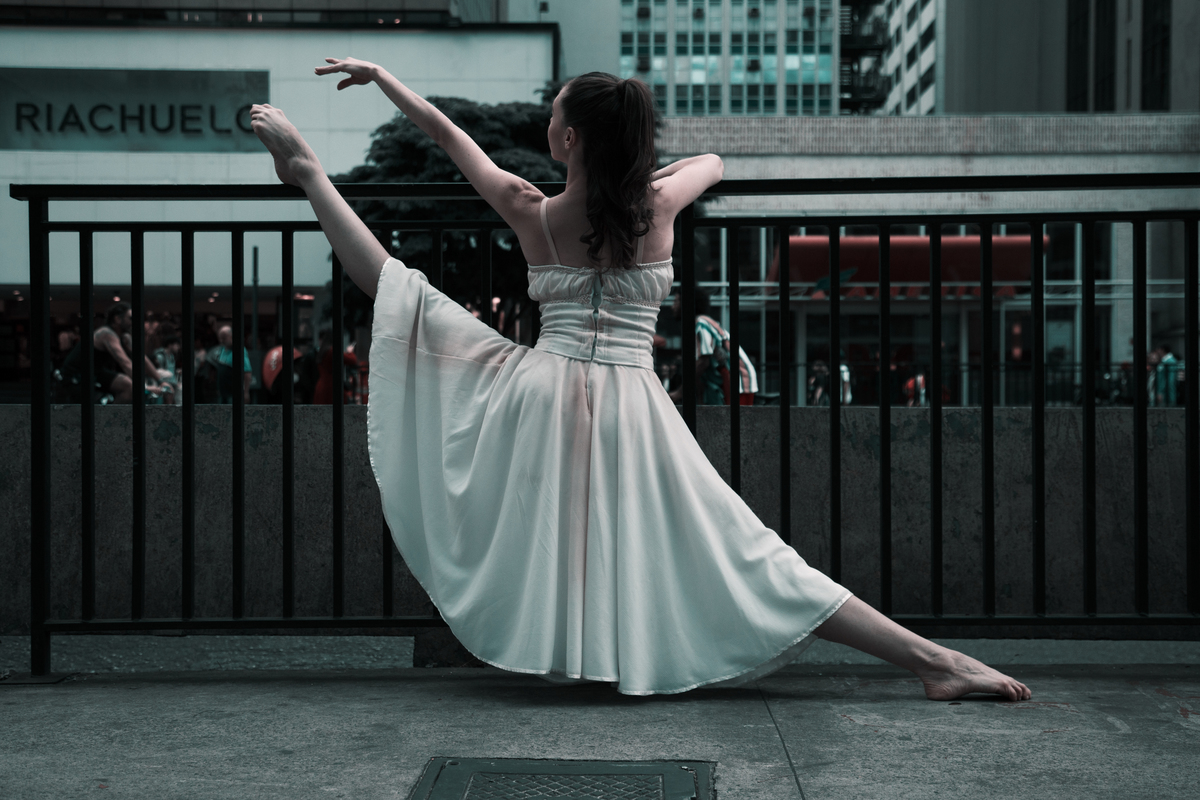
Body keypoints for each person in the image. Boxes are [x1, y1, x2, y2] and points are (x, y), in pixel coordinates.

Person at [249, 60, 1029, 700]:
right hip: (632, 401)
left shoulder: (533, 210)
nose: (549, 123)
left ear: (570, 137)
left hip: (540, 397)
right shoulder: (658, 204)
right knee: (741, 548)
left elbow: (451, 137)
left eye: (556, 115)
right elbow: (713, 164)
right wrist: (654, 171)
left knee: (406, 298)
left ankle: (311, 175)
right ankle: (932, 660)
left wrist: (385, 79)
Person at [62, 301, 166, 404]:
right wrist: (144, 386)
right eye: (130, 318)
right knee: (132, 388)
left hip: (96, 371)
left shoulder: (124, 337)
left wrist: (161, 381)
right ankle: (110, 414)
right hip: (76, 375)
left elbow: (141, 358)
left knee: (129, 385)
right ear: (117, 319)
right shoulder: (106, 333)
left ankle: (112, 413)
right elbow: (125, 363)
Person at [668, 289, 757, 406]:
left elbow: (703, 361)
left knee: (737, 418)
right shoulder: (701, 323)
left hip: (739, 379)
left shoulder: (701, 323)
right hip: (731, 379)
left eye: (676, 301)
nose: (672, 306)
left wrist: (679, 392)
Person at [212, 324, 252, 404]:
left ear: (231, 336)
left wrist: (246, 392)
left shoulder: (239, 350)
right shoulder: (222, 350)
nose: (222, 340)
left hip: (233, 393)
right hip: (222, 393)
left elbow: (247, 372)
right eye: (220, 338)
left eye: (224, 337)